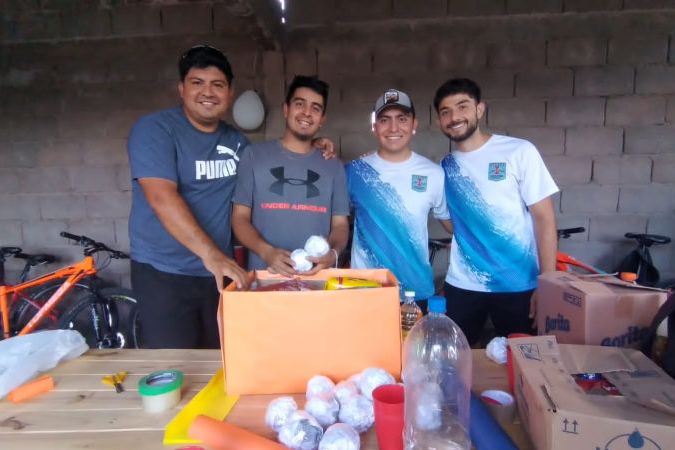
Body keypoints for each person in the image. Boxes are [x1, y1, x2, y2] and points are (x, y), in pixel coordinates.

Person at [127, 46, 334, 349]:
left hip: (220, 273)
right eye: (197, 82)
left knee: (222, 361)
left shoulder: (237, 143)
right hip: (165, 273)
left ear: (230, 92)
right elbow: (161, 197)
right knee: (173, 365)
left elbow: (270, 164)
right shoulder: (155, 131)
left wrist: (310, 144)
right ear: (181, 88)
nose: (208, 92)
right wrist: (211, 255)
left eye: (218, 85)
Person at [433, 78, 558, 344]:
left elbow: (544, 219)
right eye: (445, 112)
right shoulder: (445, 166)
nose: (454, 117)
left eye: (462, 106)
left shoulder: (518, 151)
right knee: (455, 362)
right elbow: (448, 218)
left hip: (518, 283)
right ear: (439, 121)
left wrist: (547, 283)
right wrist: (471, 240)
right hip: (463, 286)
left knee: (524, 361)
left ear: (479, 109)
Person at [232, 75, 350, 276]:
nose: (306, 113)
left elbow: (340, 225)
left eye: (316, 108)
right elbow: (239, 218)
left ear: (322, 119)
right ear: (285, 109)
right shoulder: (253, 156)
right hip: (265, 279)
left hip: (316, 282)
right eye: (299, 104)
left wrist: (333, 254)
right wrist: (266, 252)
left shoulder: (334, 166)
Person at [346, 88, 452, 303]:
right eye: (385, 120)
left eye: (402, 119)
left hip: (416, 291)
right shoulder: (353, 171)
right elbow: (335, 222)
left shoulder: (433, 174)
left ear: (414, 124)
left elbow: (455, 228)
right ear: (375, 127)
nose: (393, 128)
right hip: (365, 291)